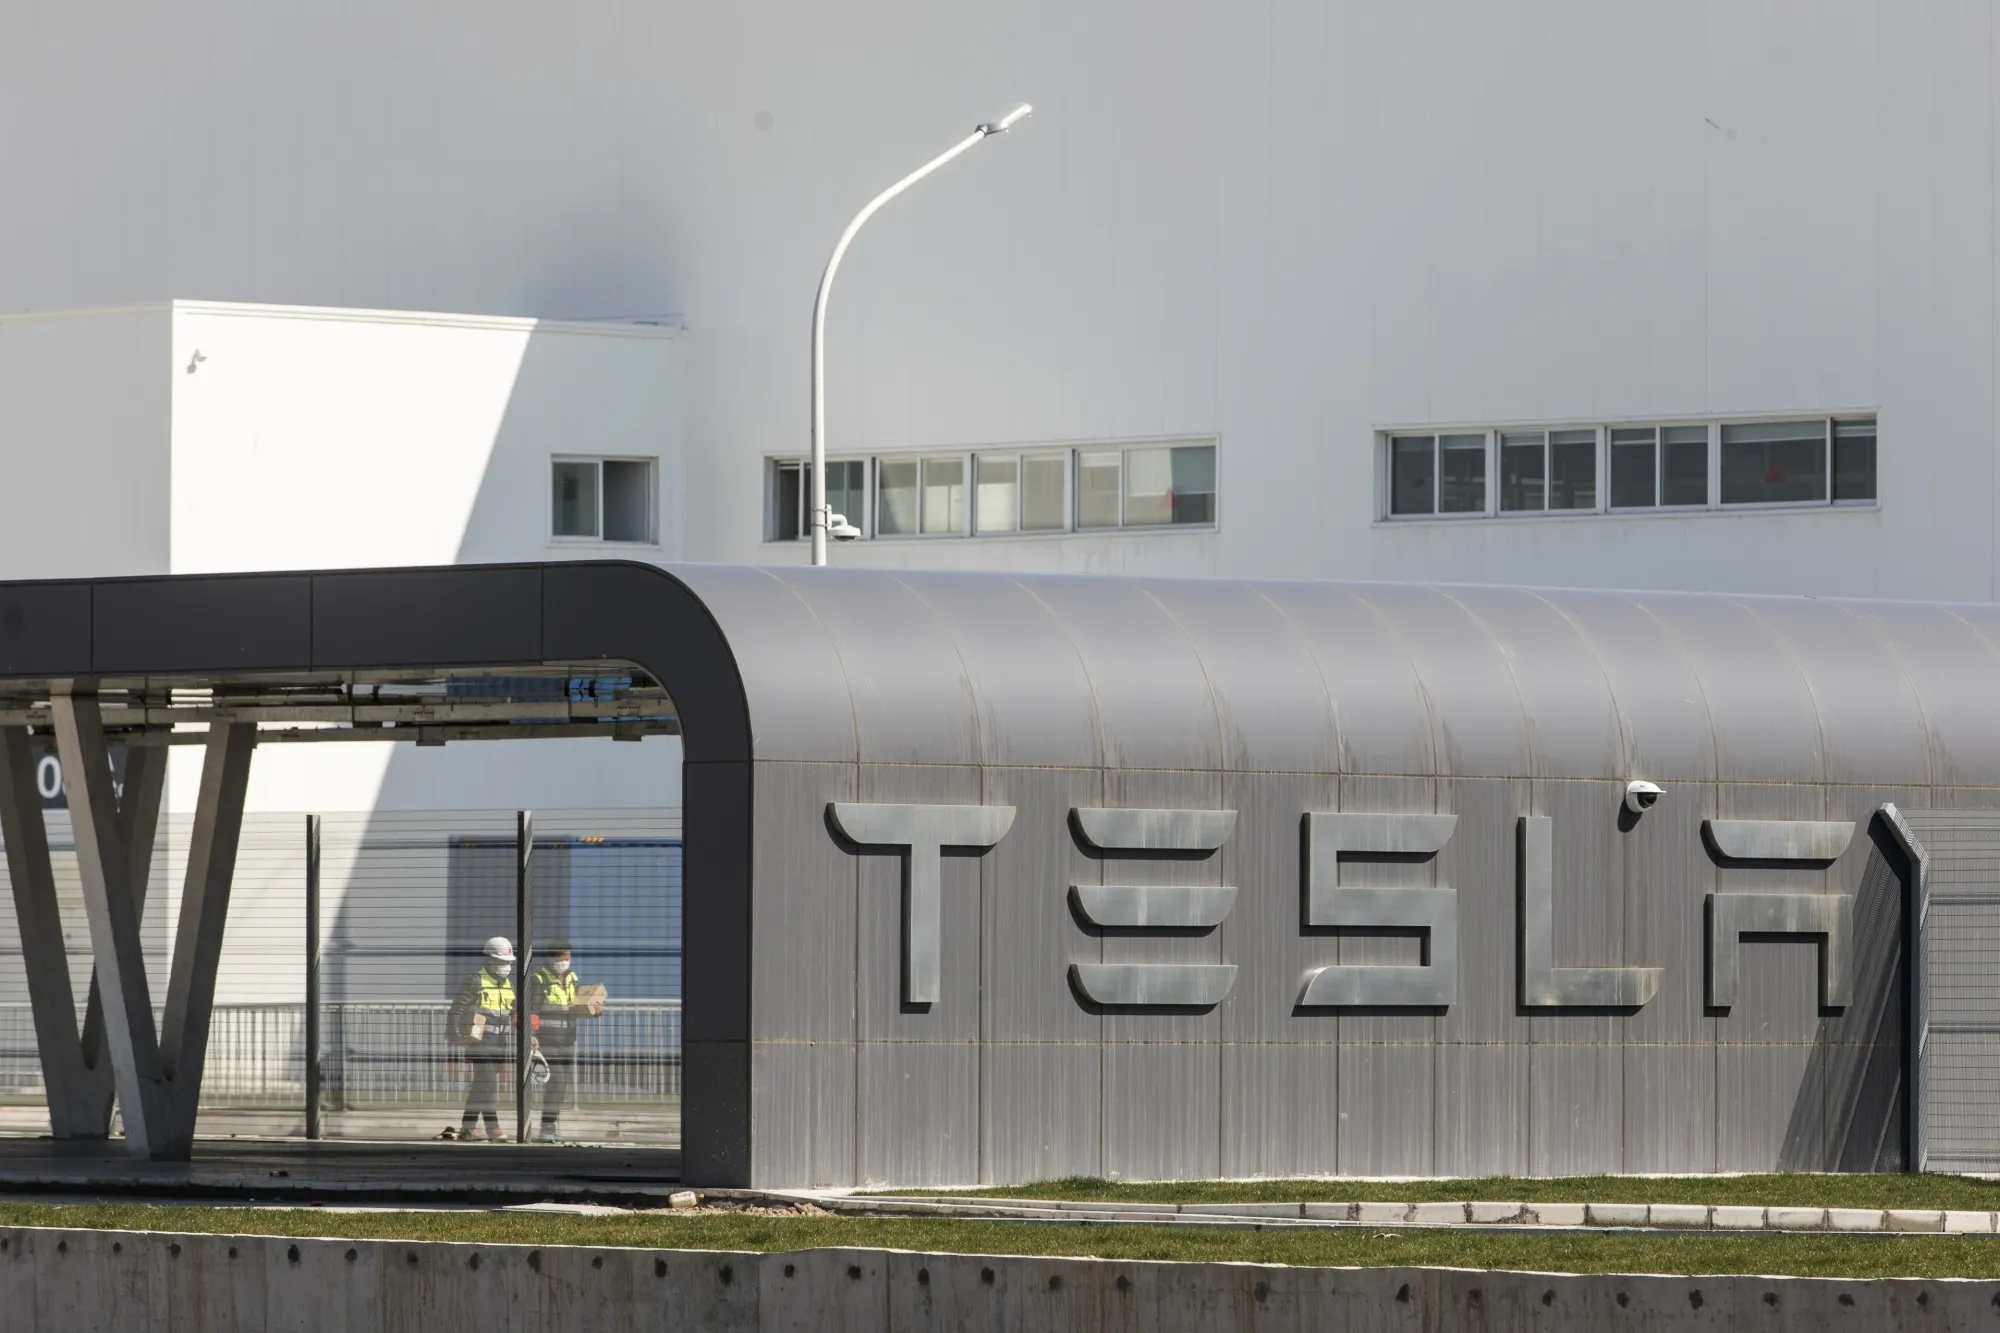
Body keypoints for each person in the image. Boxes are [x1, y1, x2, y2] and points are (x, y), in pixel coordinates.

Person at [528, 940, 604, 1143]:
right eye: (561, 957)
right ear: (550, 958)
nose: (565, 961)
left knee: (561, 1085)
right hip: (547, 1039)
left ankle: (549, 1126)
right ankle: (546, 1127)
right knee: (558, 1079)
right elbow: (531, 1009)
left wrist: (594, 1010)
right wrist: (532, 1033)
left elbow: (577, 1006)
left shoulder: (572, 978)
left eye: (567, 957)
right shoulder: (539, 979)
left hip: (567, 1039)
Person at [448, 936, 517, 1141]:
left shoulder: (507, 985)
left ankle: (467, 1128)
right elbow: (457, 1009)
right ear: (490, 960)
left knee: (481, 1084)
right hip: (480, 1040)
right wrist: (456, 1035)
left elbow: (513, 1010)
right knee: (488, 1083)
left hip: (500, 1042)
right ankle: (493, 1128)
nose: (506, 967)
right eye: (502, 962)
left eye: (508, 963)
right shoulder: (475, 980)